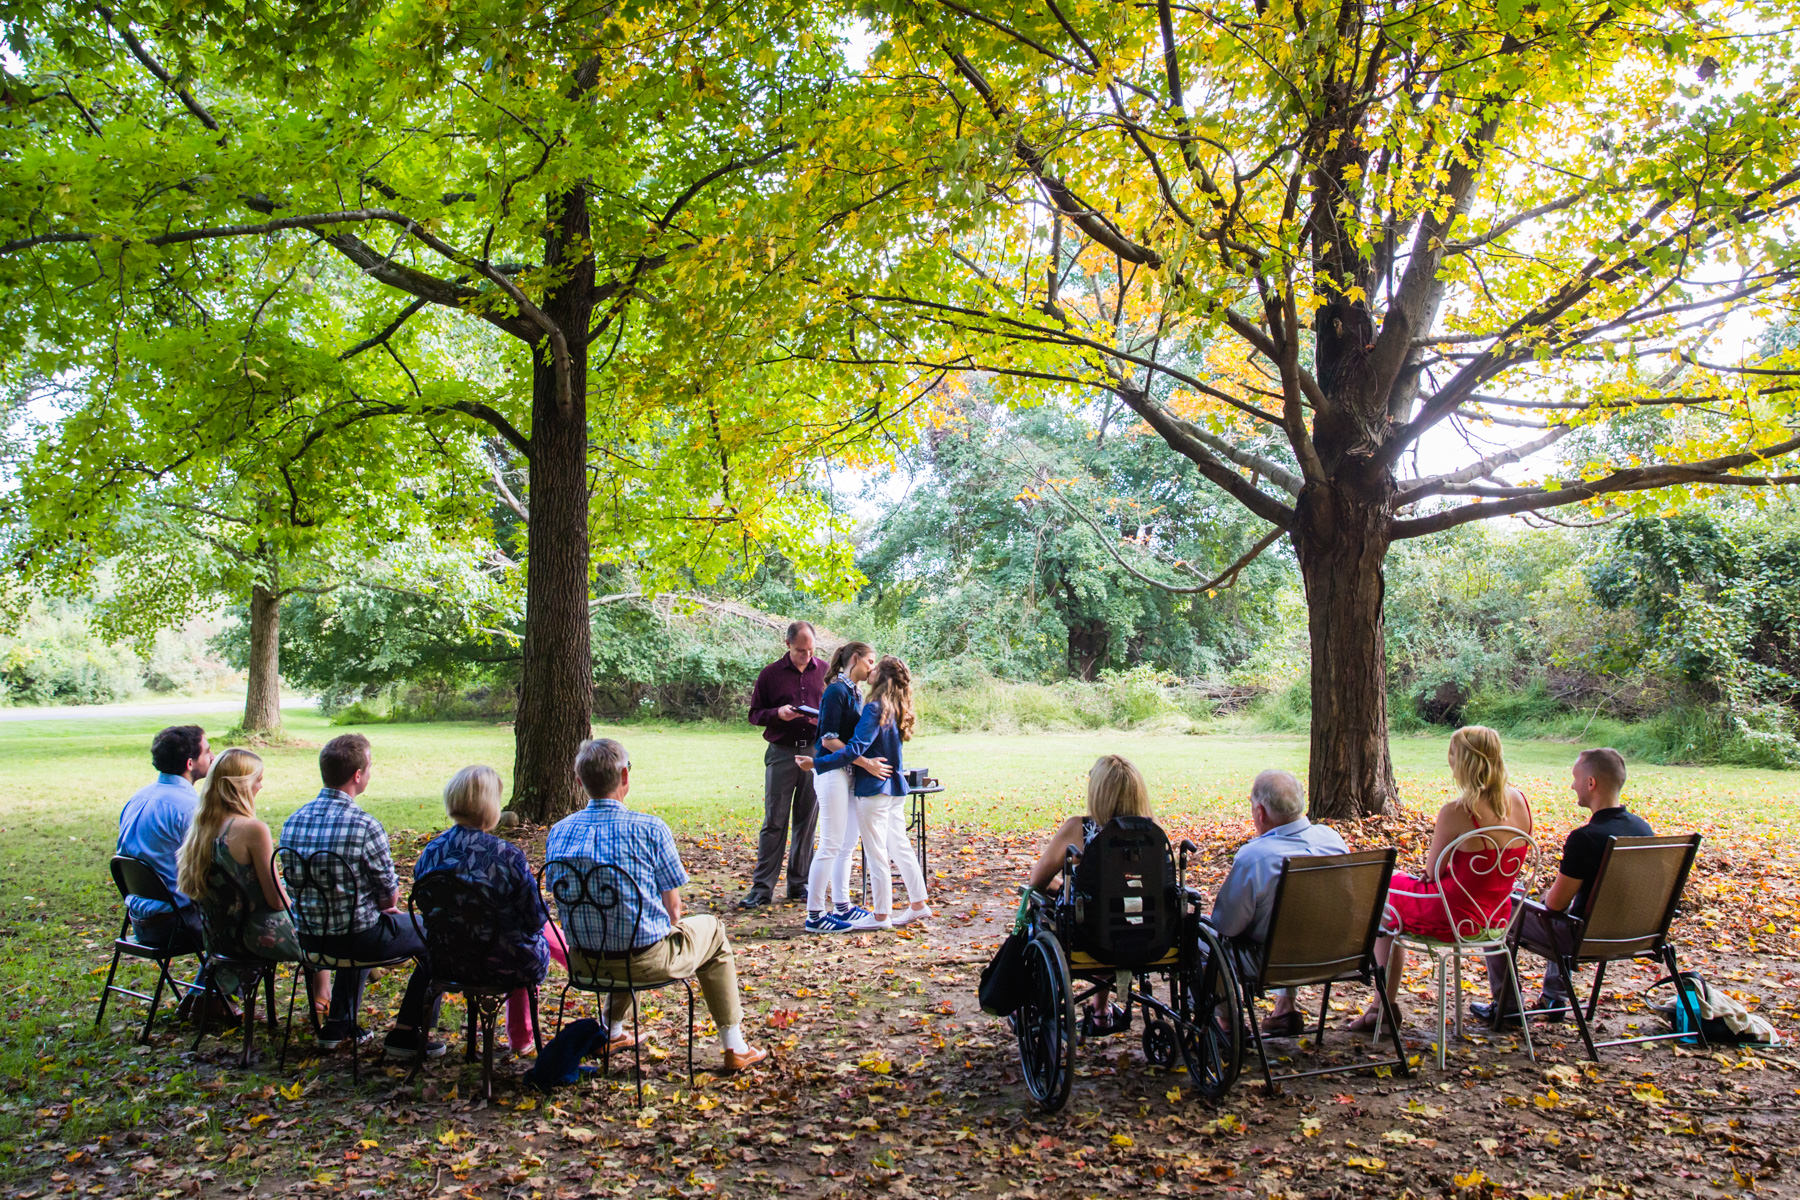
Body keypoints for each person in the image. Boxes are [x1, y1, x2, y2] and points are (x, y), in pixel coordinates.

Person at [544, 738, 767, 1072]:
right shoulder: (649, 829)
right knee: (714, 933)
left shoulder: (559, 832)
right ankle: (735, 1045)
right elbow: (674, 911)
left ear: (579, 782)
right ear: (624, 776)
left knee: (621, 928)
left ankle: (613, 1030)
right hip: (643, 961)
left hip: (583, 962)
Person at [1350, 725, 1533, 1033]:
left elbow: (1433, 872)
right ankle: (1380, 1009)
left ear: (1460, 761)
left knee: (1383, 894)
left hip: (1455, 917)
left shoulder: (1457, 812)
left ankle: (1383, 1006)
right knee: (1392, 889)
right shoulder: (1519, 801)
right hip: (1495, 915)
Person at [278, 733, 443, 1059]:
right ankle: (409, 1031)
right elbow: (387, 896)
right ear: (358, 775)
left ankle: (339, 1024)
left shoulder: (292, 821)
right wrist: (386, 906)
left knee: (359, 918)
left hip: (309, 937)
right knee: (438, 933)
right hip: (357, 938)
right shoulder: (365, 825)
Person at [1471, 747, 1651, 1028]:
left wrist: (1543, 896)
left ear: (1591, 784)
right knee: (1565, 908)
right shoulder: (1642, 829)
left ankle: (1507, 1007)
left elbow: (1554, 905)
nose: (1572, 785)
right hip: (1635, 934)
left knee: (1494, 909)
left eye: (1575, 778)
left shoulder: (1585, 838)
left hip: (1582, 937)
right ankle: (1554, 998)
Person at [415, 766, 566, 1056]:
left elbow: (425, 906)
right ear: (490, 805)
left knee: (514, 934)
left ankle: (521, 1035)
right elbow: (534, 918)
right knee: (524, 938)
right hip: (501, 962)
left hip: (446, 960)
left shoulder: (431, 852)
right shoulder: (505, 855)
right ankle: (522, 1037)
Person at [175, 748, 328, 1013]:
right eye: (258, 779)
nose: (261, 785)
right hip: (256, 934)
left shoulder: (201, 828)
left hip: (219, 936)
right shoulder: (252, 830)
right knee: (323, 928)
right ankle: (324, 1001)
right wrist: (294, 900)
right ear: (241, 785)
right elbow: (275, 900)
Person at [1207, 769, 1349, 1038]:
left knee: (1205, 942)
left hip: (1272, 963)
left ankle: (1226, 1025)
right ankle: (1284, 1007)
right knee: (1296, 925)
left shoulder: (1255, 857)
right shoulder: (1332, 839)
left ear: (1260, 812)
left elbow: (1227, 926)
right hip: (1339, 955)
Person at [1024, 754, 1155, 1035]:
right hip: (1146, 934)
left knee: (1053, 907)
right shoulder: (1153, 834)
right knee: (1113, 910)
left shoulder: (1079, 830)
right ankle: (1101, 1010)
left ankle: (1027, 994)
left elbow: (1037, 881)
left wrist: (1067, 889)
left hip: (1089, 936)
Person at [797, 655, 926, 932]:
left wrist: (816, 763)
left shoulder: (874, 708)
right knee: (899, 846)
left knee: (877, 851)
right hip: (895, 788)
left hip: (874, 790)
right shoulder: (897, 707)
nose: (871, 668)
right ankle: (918, 904)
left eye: (875, 666)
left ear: (882, 677)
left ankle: (881, 915)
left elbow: (855, 749)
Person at [116, 724, 218, 1019]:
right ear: (190, 764)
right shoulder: (191, 808)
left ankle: (204, 997)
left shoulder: (136, 799)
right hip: (173, 925)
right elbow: (213, 868)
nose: (212, 757)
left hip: (139, 919)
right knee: (245, 929)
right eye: (207, 751)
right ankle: (205, 999)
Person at [742, 621, 827, 908]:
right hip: (782, 752)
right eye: (801, 650)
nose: (806, 656)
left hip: (814, 752)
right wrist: (778, 713)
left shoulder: (825, 671)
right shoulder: (770, 674)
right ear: (788, 644)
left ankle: (799, 884)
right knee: (774, 821)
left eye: (810, 650)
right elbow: (755, 714)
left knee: (807, 821)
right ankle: (761, 888)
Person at [802, 641, 884, 933]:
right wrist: (866, 764)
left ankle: (842, 906)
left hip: (847, 770)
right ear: (856, 658)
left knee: (848, 843)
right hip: (832, 771)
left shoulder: (855, 692)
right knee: (831, 844)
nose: (872, 667)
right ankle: (814, 915)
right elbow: (829, 740)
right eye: (870, 661)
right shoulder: (836, 690)